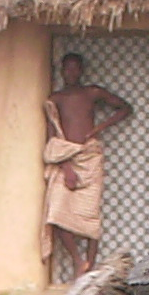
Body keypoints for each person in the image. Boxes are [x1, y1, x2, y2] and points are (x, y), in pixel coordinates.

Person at [43, 52, 133, 282]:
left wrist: (99, 127)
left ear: (81, 70)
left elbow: (124, 108)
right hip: (68, 159)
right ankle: (77, 259)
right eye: (67, 69)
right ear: (61, 71)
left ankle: (90, 265)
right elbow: (53, 137)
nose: (71, 73)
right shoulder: (56, 98)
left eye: (75, 69)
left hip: (90, 157)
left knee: (91, 215)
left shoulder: (92, 92)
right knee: (56, 212)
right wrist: (65, 167)